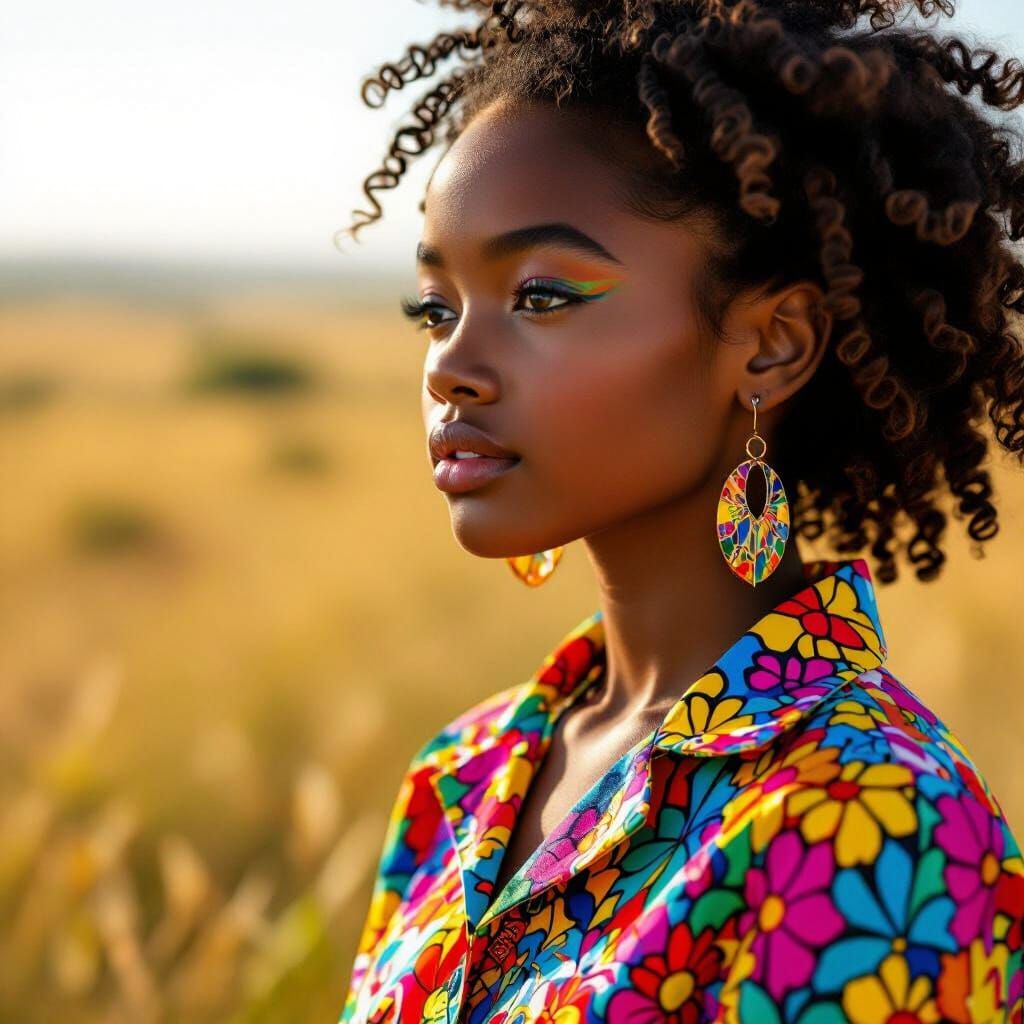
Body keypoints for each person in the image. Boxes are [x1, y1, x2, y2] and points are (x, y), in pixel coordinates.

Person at [336, 1, 1024, 1020]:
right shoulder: (462, 774)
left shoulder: (876, 821)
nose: (451, 367)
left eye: (540, 295)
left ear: (772, 345)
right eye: (437, 308)